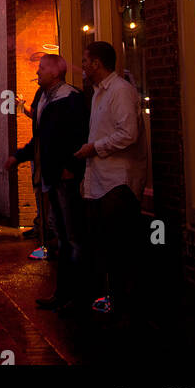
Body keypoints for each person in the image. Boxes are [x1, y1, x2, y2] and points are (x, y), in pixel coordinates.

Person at [4, 54, 88, 310]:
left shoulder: (71, 99)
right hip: (51, 176)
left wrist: (71, 167)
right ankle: (62, 292)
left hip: (65, 178)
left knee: (73, 238)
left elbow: (80, 136)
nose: (37, 72)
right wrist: (19, 156)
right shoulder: (43, 98)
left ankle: (78, 295)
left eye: (41, 68)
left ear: (55, 72)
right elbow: (40, 139)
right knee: (61, 237)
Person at [74, 41, 148, 319]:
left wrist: (94, 148)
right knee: (102, 246)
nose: (82, 66)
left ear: (97, 63)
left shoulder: (120, 92)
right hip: (100, 182)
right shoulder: (97, 94)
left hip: (118, 183)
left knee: (120, 248)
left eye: (85, 60)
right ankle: (109, 300)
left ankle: (125, 307)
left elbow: (128, 133)